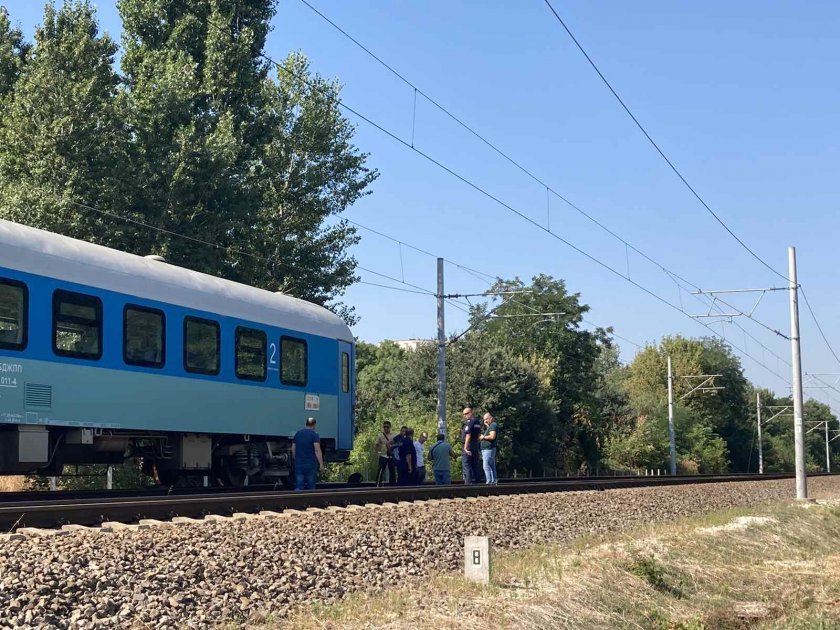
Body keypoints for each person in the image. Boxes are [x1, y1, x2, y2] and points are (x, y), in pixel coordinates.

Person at [291, 417, 324, 491]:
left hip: (299, 464)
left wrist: (295, 459)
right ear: (314, 425)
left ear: (306, 424)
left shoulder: (298, 434)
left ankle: (298, 500)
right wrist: (321, 463)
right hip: (310, 464)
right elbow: (317, 450)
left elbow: (293, 448)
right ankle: (309, 501)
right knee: (311, 487)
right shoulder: (314, 435)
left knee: (299, 486)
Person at [460, 407, 483, 484]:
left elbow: (468, 435)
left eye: (466, 413)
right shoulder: (477, 422)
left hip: (468, 446)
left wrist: (465, 448)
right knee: (475, 465)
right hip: (475, 445)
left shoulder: (470, 422)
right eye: (463, 414)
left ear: (471, 412)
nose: (464, 416)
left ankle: (468, 484)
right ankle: (478, 483)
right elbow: (478, 434)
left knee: (467, 465)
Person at [479, 412, 499, 485]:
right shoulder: (490, 426)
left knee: (486, 466)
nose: (485, 421)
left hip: (488, 449)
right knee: (491, 465)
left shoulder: (493, 425)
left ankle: (489, 481)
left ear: (491, 418)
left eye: (486, 419)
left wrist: (483, 437)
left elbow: (492, 436)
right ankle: (493, 481)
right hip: (488, 449)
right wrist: (487, 426)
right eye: (484, 419)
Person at [374, 420, 395, 487]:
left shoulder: (393, 436)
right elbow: (377, 444)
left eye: (387, 427)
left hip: (391, 455)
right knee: (380, 471)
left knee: (392, 471)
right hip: (383, 455)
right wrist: (377, 453)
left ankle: (392, 485)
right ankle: (378, 484)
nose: (385, 428)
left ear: (390, 427)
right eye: (384, 427)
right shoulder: (380, 435)